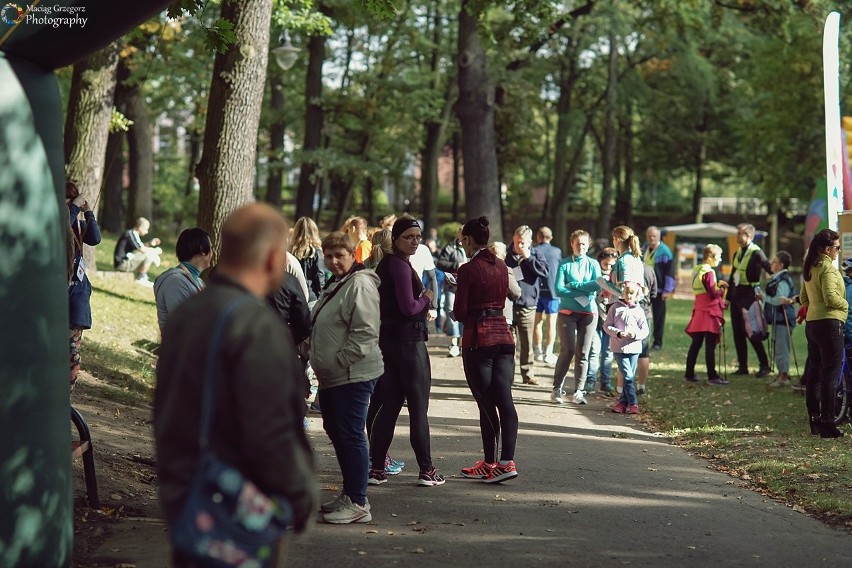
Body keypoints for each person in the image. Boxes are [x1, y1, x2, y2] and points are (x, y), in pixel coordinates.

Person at [153, 204, 317, 565]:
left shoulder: (187, 315)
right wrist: (300, 492)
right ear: (274, 258)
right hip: (240, 505)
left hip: (187, 495)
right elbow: (273, 429)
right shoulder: (256, 325)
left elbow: (163, 407)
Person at [309, 231, 383, 523]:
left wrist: (339, 361)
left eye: (340, 255)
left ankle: (358, 502)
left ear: (354, 256)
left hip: (352, 374)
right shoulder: (338, 282)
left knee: (351, 434)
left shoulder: (361, 284)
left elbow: (365, 331)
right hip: (333, 376)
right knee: (336, 431)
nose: (333, 261)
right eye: (328, 256)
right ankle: (351, 492)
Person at [369, 216, 445, 487]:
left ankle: (377, 468)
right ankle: (427, 469)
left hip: (388, 342)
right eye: (408, 237)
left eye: (418, 236)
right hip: (408, 344)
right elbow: (408, 307)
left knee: (388, 406)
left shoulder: (387, 264)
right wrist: (427, 297)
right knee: (417, 409)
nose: (415, 241)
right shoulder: (398, 266)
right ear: (395, 239)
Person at [455, 217, 520, 483]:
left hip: (478, 339)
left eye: (463, 241)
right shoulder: (502, 265)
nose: (463, 245)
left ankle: (499, 463)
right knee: (504, 399)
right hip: (503, 335)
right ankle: (499, 461)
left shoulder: (468, 269)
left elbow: (460, 312)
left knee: (485, 402)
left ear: (469, 240)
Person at [799, 229, 846, 438]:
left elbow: (803, 298)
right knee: (830, 374)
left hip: (813, 323)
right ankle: (828, 423)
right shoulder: (827, 269)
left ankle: (814, 420)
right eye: (837, 247)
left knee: (815, 374)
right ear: (828, 249)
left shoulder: (810, 266)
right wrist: (845, 305)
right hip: (829, 323)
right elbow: (830, 297)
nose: (838, 251)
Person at [552, 230, 601, 405]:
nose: (580, 247)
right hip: (567, 313)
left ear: (588, 246)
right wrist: (583, 290)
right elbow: (558, 290)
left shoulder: (594, 264)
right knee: (568, 350)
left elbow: (597, 285)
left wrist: (573, 285)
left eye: (584, 244)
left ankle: (579, 391)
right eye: (577, 243)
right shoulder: (564, 265)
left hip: (588, 313)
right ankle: (557, 388)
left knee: (583, 352)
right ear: (571, 244)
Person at [66, 181, 101, 392]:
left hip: (76, 291)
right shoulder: (56, 224)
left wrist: (88, 213)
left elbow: (95, 239)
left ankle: (66, 395)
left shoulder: (76, 224)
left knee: (71, 350)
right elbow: (61, 230)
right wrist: (71, 209)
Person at [504, 225, 549, 385]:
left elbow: (545, 272)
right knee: (508, 342)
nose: (519, 246)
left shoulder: (537, 254)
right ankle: (507, 375)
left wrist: (529, 258)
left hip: (527, 304)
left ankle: (527, 374)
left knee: (526, 342)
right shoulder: (506, 255)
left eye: (523, 243)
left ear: (530, 242)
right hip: (508, 304)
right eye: (517, 242)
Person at [728, 223, 772, 377]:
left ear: (749, 236)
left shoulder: (757, 253)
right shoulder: (737, 252)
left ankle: (765, 365)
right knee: (737, 332)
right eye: (737, 233)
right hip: (736, 297)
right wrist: (727, 298)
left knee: (752, 331)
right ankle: (743, 367)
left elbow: (770, 268)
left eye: (740, 234)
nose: (737, 236)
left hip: (749, 296)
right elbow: (732, 276)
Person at [684, 244, 729, 385]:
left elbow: (704, 288)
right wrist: (722, 289)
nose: (720, 259)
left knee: (696, 343)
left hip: (699, 309)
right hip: (708, 311)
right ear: (710, 256)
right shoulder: (708, 271)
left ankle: (689, 373)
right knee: (710, 344)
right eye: (719, 256)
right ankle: (712, 376)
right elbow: (713, 293)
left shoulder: (697, 269)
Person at [153, 228, 212, 334]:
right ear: (203, 250)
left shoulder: (198, 281)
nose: (213, 252)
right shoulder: (175, 282)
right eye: (211, 248)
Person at [604, 280, 650, 414]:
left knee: (628, 376)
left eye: (632, 293)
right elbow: (606, 326)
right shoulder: (615, 308)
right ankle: (634, 403)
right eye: (626, 292)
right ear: (622, 292)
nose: (629, 296)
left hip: (634, 348)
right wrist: (618, 333)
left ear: (636, 295)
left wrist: (634, 334)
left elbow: (645, 331)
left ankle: (622, 403)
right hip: (619, 348)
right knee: (628, 375)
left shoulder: (639, 311)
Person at [585, 248, 618, 396]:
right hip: (596, 317)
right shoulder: (595, 275)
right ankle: (590, 380)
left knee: (608, 352)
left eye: (612, 265)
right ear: (600, 262)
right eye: (606, 264)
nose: (609, 268)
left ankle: (605, 382)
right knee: (594, 350)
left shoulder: (616, 278)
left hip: (610, 319)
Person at [763, 251, 796, 388]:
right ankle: (781, 374)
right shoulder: (778, 278)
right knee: (778, 347)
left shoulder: (783, 280)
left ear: (781, 265)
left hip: (784, 319)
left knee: (782, 348)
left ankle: (784, 376)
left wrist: (764, 297)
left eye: (774, 261)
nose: (771, 263)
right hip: (779, 318)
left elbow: (780, 299)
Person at [533, 226, 563, 365]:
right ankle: (548, 353)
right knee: (551, 323)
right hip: (553, 292)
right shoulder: (557, 251)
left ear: (538, 237)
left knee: (537, 323)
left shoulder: (533, 250)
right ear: (550, 237)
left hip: (536, 291)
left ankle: (537, 352)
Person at [643, 226, 676, 350]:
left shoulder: (665, 251)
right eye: (649, 236)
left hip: (660, 289)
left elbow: (670, 272)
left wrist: (668, 289)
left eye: (654, 236)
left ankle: (657, 342)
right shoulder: (644, 248)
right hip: (643, 289)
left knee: (658, 316)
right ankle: (642, 339)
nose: (651, 238)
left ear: (659, 237)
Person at [436, 231, 468, 357]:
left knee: (465, 313)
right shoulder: (450, 248)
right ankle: (454, 342)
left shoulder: (472, 247)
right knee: (451, 312)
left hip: (467, 287)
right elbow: (440, 263)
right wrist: (456, 265)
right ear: (459, 235)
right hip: (451, 287)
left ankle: (463, 342)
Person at [113, 217, 162, 286]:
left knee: (148, 253)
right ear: (140, 228)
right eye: (146, 229)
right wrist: (155, 251)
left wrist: (150, 243)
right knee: (148, 255)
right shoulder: (131, 234)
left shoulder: (133, 234)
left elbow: (139, 246)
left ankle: (141, 275)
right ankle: (141, 277)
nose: (147, 232)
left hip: (126, 261)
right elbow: (142, 249)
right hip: (122, 264)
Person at [291, 216, 327, 304]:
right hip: (312, 297)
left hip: (293, 296)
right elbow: (319, 276)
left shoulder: (290, 252)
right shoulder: (316, 252)